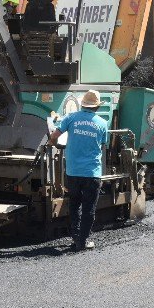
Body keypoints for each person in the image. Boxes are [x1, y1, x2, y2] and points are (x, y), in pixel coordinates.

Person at [49, 90, 109, 251]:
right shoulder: (102, 123)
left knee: (74, 205)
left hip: (73, 172)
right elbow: (103, 145)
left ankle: (76, 237)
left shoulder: (70, 118)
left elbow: (54, 137)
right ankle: (83, 241)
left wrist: (56, 145)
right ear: (96, 107)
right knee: (89, 208)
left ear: (82, 104)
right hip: (92, 173)